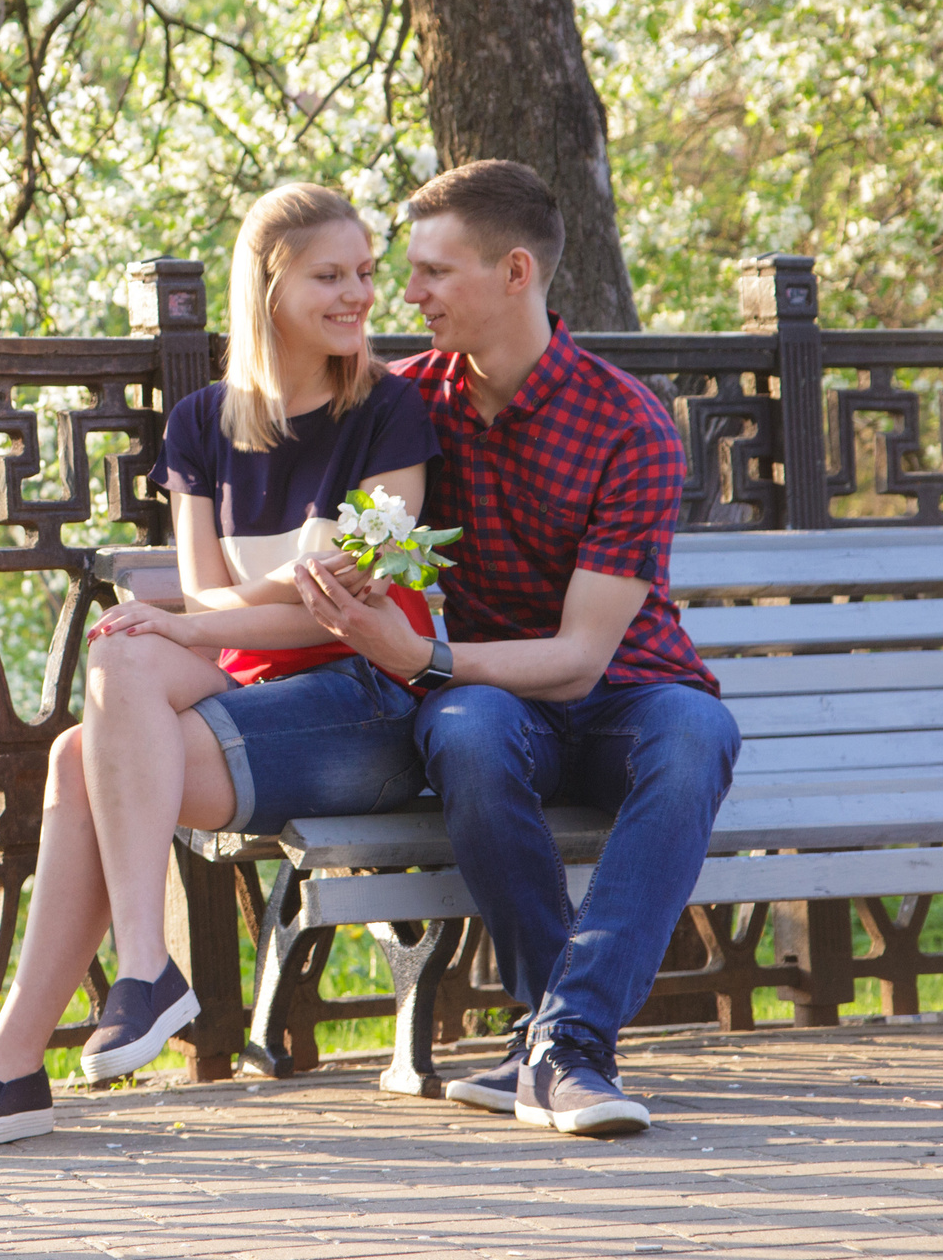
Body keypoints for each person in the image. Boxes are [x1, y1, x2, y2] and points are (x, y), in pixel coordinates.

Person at [0, 182, 442, 1149]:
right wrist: (201, 617)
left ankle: (27, 1053)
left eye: (365, 272)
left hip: (367, 699)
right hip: (252, 684)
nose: (360, 294)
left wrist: (198, 621)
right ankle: (134, 978)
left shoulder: (389, 413)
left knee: (82, 755)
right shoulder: (202, 422)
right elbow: (205, 595)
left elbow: (339, 610)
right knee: (119, 659)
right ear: (268, 285)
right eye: (331, 275)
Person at [293, 158, 738, 1139]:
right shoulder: (408, 406)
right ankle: (562, 1047)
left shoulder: (627, 425)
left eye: (433, 271)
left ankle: (558, 1040)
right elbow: (305, 472)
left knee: (697, 732)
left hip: (627, 694)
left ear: (515, 272)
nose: (407, 294)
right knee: (464, 730)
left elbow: (581, 657)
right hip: (496, 708)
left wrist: (422, 659)